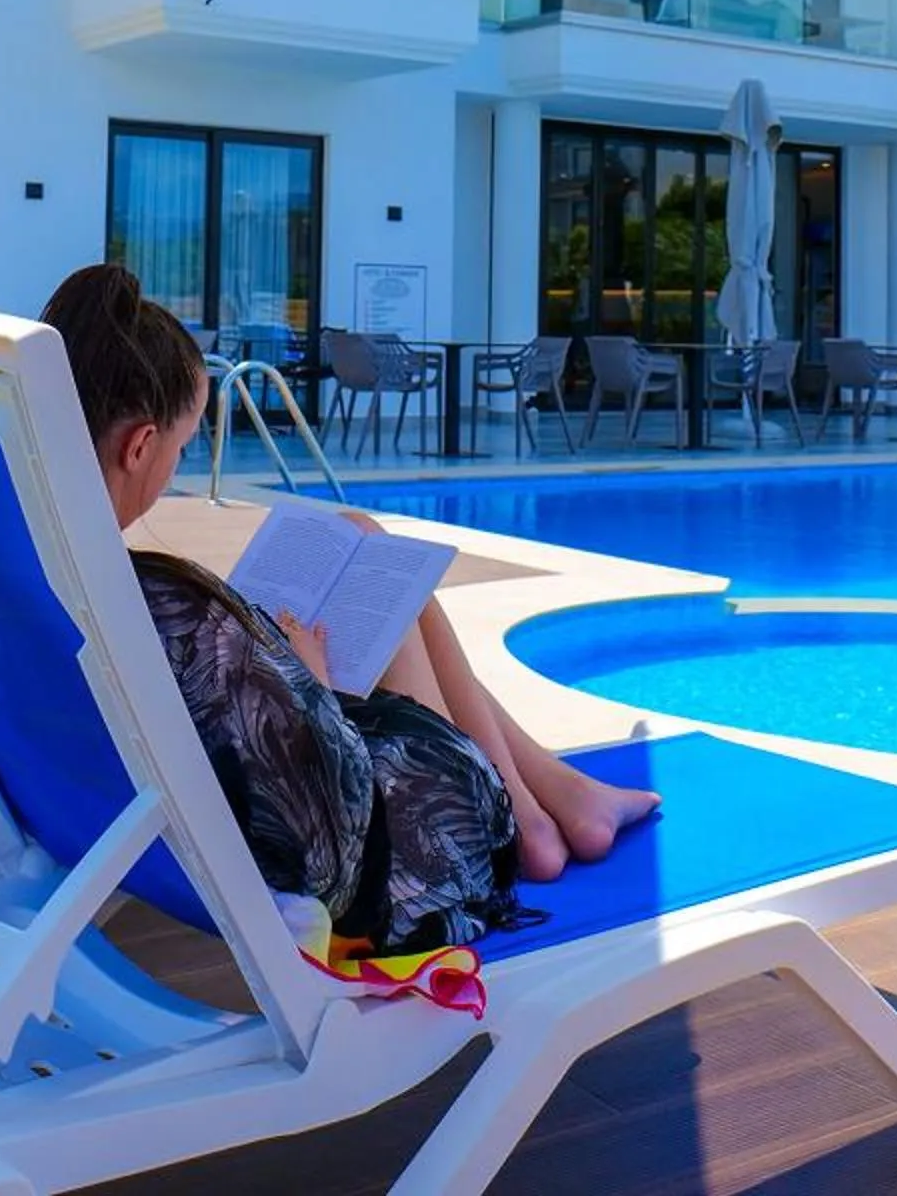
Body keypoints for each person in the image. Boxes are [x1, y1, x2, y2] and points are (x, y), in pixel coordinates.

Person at [40, 266, 659, 952]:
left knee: (364, 541)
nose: (176, 472)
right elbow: (312, 826)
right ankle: (524, 813)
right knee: (380, 568)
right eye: (183, 449)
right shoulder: (148, 597)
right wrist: (312, 685)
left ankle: (554, 795)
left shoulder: (45, 562)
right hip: (390, 855)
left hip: (214, 801)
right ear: (138, 445)